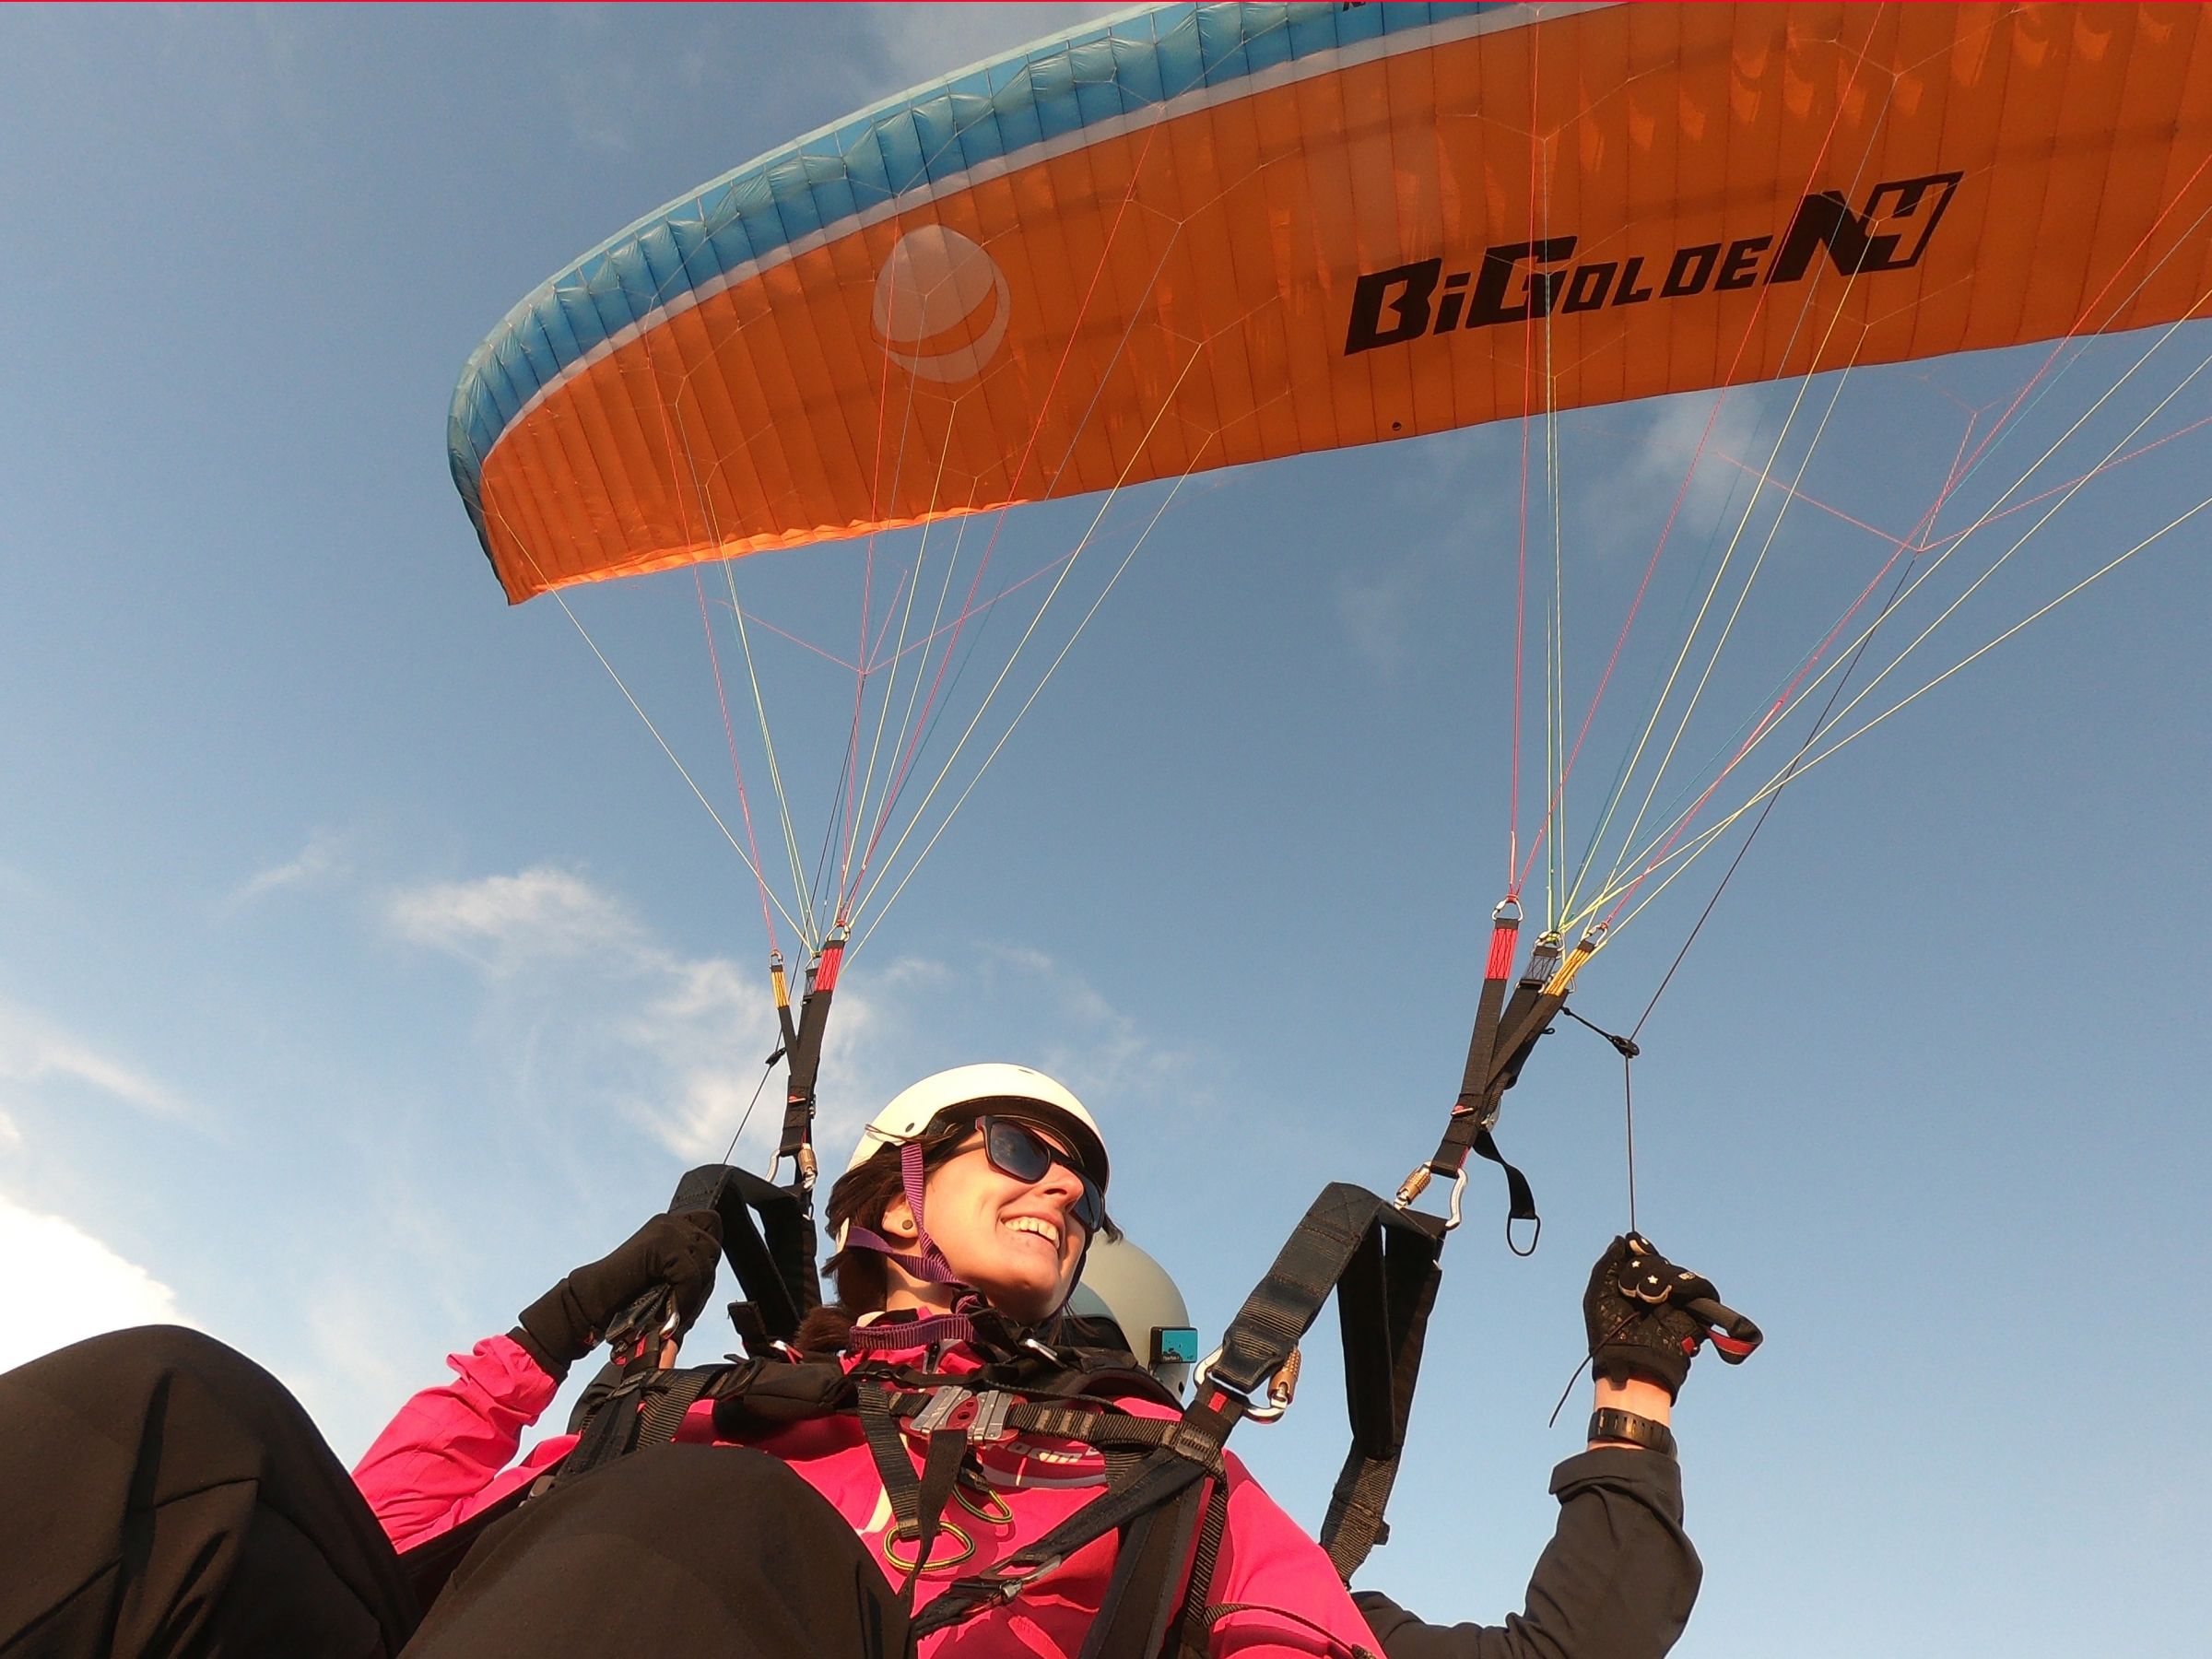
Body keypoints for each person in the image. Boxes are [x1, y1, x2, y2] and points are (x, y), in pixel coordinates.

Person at [0, 1063, 1729, 1659]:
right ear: (891, 1190)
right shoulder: (701, 1406)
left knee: (705, 1532)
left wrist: (1634, 1405)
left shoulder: (1156, 1481)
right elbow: (391, 1555)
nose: (1064, 1188)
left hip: (700, 1570)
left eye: (1087, 1185)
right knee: (168, 1407)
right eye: (1020, 1150)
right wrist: (557, 1332)